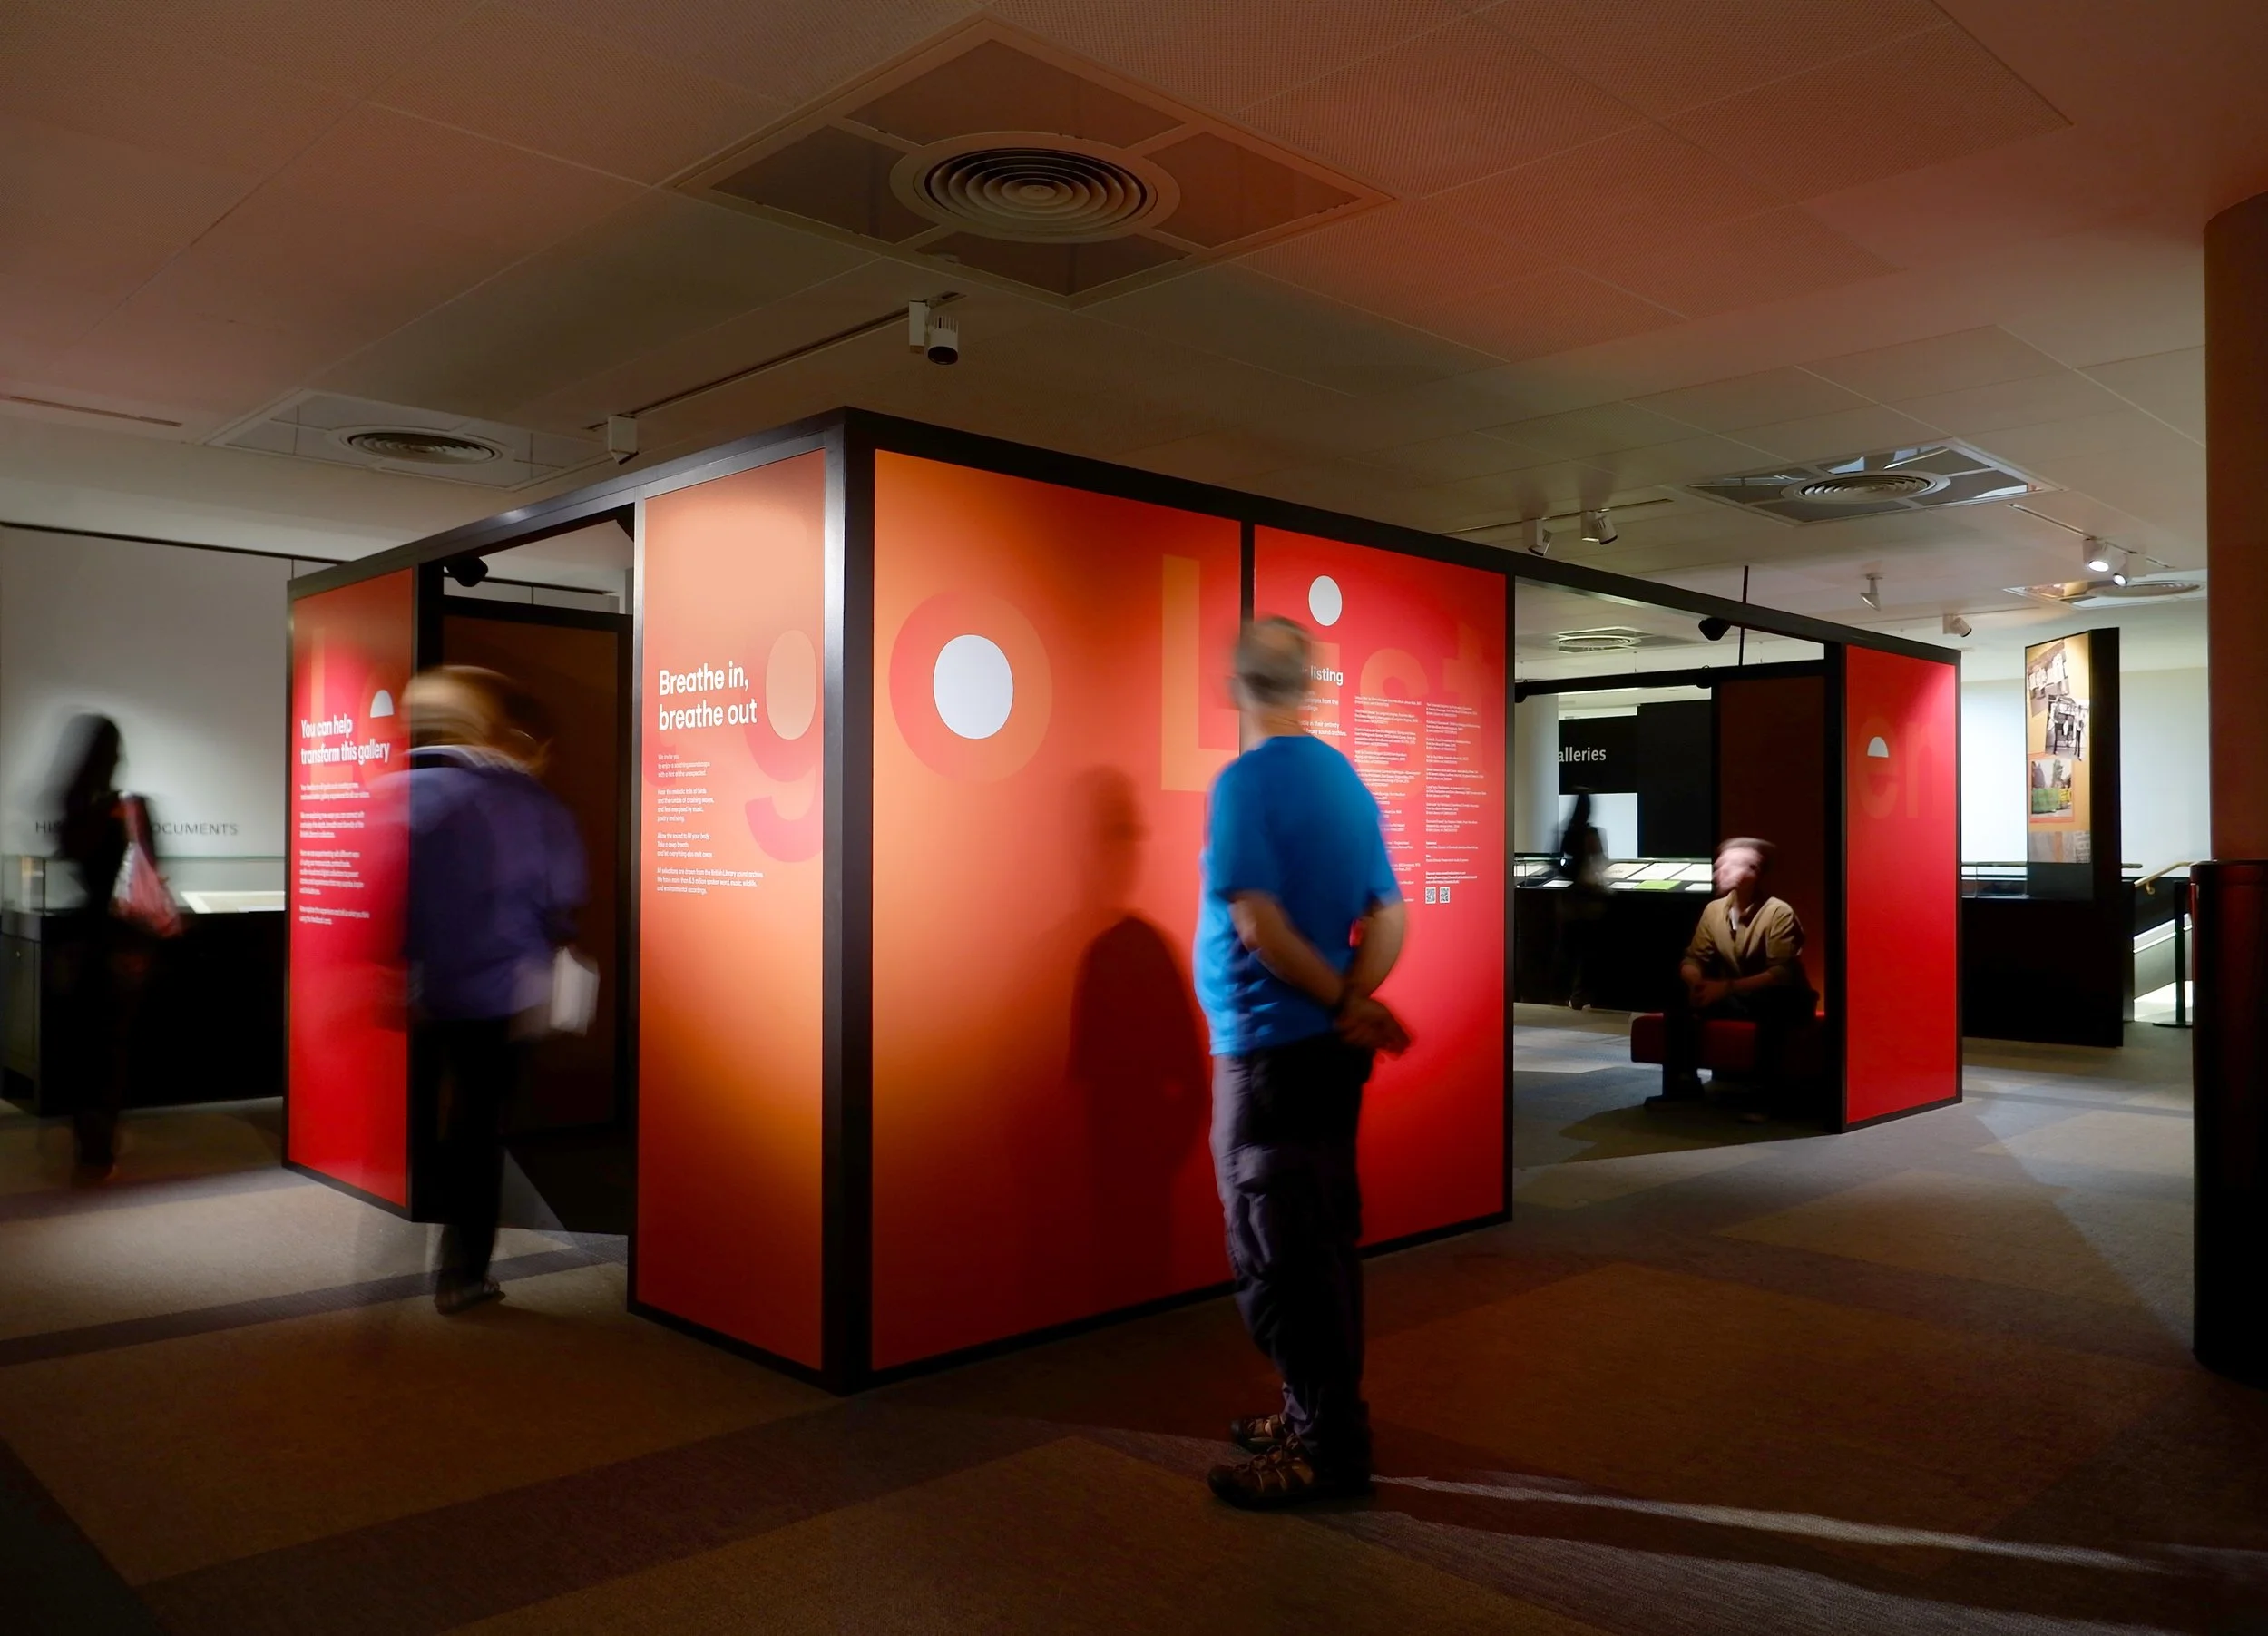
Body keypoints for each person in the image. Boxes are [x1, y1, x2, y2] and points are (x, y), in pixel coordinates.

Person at [1194, 616, 1411, 1510]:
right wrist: (1355, 999)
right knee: (1315, 1237)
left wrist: (1334, 1003)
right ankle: (1310, 1412)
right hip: (1320, 1056)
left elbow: (1259, 927)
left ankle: (1327, 1451)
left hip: (1270, 1058)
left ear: (1238, 684)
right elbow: (1389, 916)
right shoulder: (1344, 781)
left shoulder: (1245, 784)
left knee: (1277, 1253)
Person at [400, 668, 586, 1314]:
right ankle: (462, 1271)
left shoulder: (398, 789)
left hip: (422, 986)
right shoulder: (517, 799)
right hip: (499, 988)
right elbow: (559, 893)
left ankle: (429, 1220)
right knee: (479, 1129)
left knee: (437, 1119)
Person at [44, 715, 165, 1178]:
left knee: (83, 1048)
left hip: (82, 938)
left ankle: (89, 1143)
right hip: (119, 941)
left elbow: (72, 857)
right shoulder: (127, 810)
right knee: (110, 1049)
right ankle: (99, 1148)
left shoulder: (72, 807)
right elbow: (150, 869)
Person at [1653, 836, 1815, 1113]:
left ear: (1753, 871)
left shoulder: (1778, 912)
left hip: (1781, 997)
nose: (1720, 871)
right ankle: (1682, 1085)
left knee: (1774, 1003)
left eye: (1730, 865)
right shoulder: (1714, 910)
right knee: (1677, 993)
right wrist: (1694, 979)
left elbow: (1780, 973)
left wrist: (1725, 988)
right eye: (1719, 865)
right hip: (1738, 995)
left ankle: (1766, 1096)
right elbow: (1695, 957)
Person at [1552, 790, 1609, 1009]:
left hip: (1569, 904)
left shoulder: (1567, 832)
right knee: (1588, 954)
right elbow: (1601, 862)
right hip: (1589, 903)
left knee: (1568, 952)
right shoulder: (1591, 834)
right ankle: (1582, 995)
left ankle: (1564, 995)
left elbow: (1558, 863)